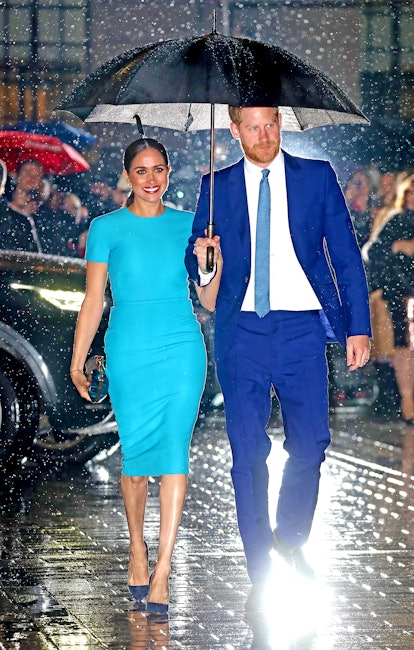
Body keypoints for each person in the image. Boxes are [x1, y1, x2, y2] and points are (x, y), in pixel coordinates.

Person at [185, 106, 371, 616]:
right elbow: (196, 259)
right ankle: (260, 571)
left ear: (280, 125)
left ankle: (290, 537)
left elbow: (346, 256)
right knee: (248, 456)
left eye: (271, 125)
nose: (264, 135)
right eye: (253, 127)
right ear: (234, 130)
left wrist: (358, 326)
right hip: (240, 331)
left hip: (302, 329)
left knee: (311, 443)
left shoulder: (316, 177)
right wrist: (204, 261)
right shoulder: (215, 185)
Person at [70, 138, 209, 617]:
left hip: (181, 349)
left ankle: (164, 571)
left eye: (160, 170)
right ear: (127, 175)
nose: (152, 180)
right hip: (128, 349)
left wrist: (209, 266)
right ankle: (137, 548)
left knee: (174, 454)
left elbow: (208, 302)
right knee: (134, 459)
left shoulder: (191, 226)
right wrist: (78, 357)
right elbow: (93, 299)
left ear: (170, 173)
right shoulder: (105, 228)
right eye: (142, 171)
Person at [367, 174, 414, 423]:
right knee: (404, 349)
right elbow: (373, 251)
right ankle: (409, 405)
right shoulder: (397, 221)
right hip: (401, 293)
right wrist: (398, 245)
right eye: (409, 194)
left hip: (401, 291)